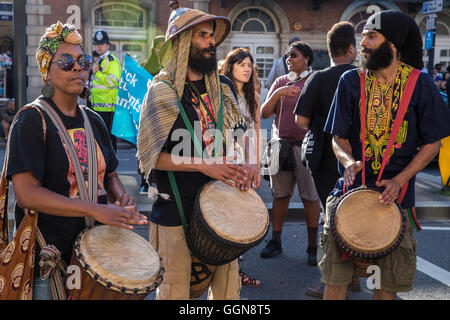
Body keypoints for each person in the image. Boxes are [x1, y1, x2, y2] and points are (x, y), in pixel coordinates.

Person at [4, 21, 147, 300]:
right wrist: (95, 209)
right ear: (46, 69)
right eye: (66, 61)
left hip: (96, 255)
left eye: (83, 61)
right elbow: (26, 194)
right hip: (51, 258)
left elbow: (111, 175)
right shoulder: (31, 120)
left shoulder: (93, 120)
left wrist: (121, 198)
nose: (78, 68)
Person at [321, 10, 450, 300]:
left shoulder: (421, 84)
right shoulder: (350, 82)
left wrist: (400, 180)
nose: (362, 42)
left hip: (398, 203)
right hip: (349, 197)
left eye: (371, 35)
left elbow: (432, 144)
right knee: (335, 279)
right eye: (363, 35)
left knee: (386, 287)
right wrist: (347, 161)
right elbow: (337, 137)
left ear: (392, 43)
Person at [137, 2, 258, 300]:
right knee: (175, 294)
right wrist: (205, 165)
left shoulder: (224, 86)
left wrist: (252, 162)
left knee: (229, 295)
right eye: (202, 35)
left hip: (223, 207)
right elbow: (151, 158)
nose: (211, 41)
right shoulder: (162, 90)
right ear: (182, 43)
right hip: (174, 210)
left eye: (211, 35)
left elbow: (242, 132)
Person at [294, 21, 360, 299]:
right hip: (359, 159)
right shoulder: (364, 78)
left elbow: (301, 120)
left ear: (330, 49)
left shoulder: (318, 78)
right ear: (351, 49)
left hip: (323, 158)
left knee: (331, 217)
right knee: (355, 216)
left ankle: (331, 281)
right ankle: (355, 276)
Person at [260, 41, 321, 265]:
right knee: (280, 195)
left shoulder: (316, 80)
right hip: (280, 146)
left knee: (310, 197)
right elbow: (265, 113)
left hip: (305, 148)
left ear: (306, 58)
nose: (289, 59)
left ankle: (313, 247)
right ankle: (275, 241)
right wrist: (278, 93)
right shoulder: (280, 81)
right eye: (287, 56)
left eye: (293, 55)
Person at [220, 48, 262, 287]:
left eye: (249, 65)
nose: (247, 69)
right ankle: (228, 271)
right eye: (242, 64)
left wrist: (255, 165)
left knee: (241, 217)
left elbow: (255, 133)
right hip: (224, 160)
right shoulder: (221, 93)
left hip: (245, 162)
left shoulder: (253, 96)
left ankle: (236, 269)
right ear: (230, 66)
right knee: (225, 215)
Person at [138, 35, 166, 195]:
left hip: (164, 114)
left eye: (163, 46)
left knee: (162, 150)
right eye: (157, 46)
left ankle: (158, 181)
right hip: (146, 114)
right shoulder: (144, 67)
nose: (159, 50)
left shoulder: (169, 68)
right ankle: (145, 181)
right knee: (146, 148)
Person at [91, 29, 121, 151]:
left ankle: (111, 168)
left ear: (108, 45)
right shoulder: (99, 60)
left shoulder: (112, 61)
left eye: (102, 44)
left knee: (108, 139)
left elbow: (113, 82)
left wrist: (97, 73)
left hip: (108, 107)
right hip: (97, 106)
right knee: (100, 139)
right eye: (97, 44)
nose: (99, 46)